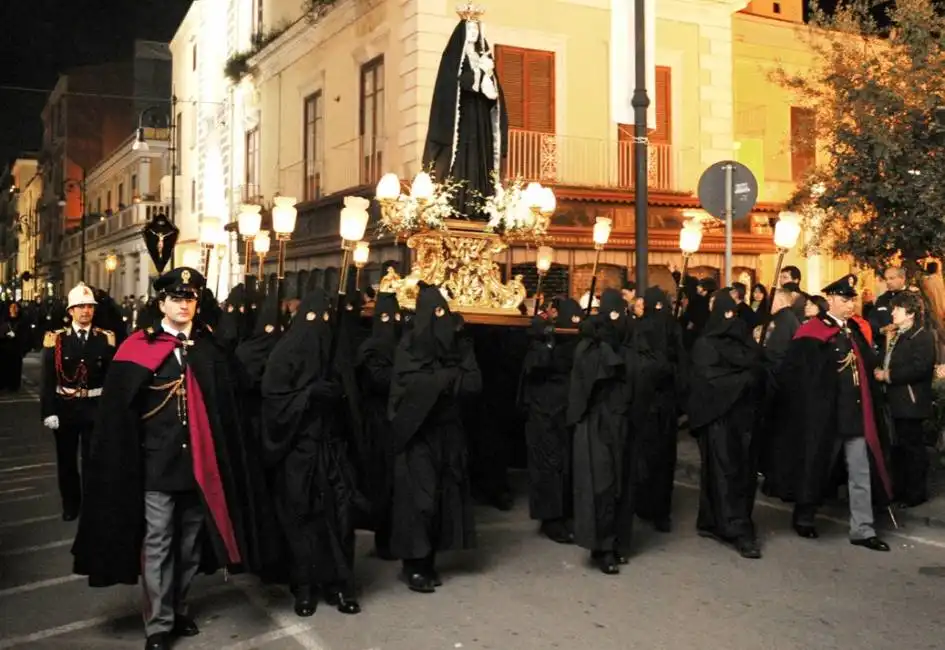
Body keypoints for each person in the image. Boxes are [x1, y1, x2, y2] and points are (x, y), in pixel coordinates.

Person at [72, 267, 277, 650]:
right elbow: (118, 415)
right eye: (176, 299)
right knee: (159, 542)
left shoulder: (210, 347)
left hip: (201, 467)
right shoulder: (137, 346)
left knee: (189, 544)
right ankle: (158, 625)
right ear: (162, 303)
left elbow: (234, 400)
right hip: (155, 464)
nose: (183, 305)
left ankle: (179, 608)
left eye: (190, 299)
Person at [763, 274, 892, 552]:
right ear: (831, 300)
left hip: (854, 416)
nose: (850, 305)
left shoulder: (854, 330)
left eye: (852, 300)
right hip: (824, 417)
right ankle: (805, 517)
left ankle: (863, 529)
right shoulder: (812, 331)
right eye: (845, 300)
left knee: (861, 472)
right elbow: (798, 376)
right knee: (815, 467)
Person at [261, 288, 363, 616]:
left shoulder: (337, 355)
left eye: (324, 319)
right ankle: (305, 587)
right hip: (299, 454)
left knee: (342, 518)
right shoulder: (284, 354)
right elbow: (274, 401)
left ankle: (341, 583)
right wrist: (307, 396)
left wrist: (341, 397)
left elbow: (354, 404)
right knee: (302, 519)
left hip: (334, 452)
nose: (318, 325)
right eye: (311, 318)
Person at [388, 285, 481, 593]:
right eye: (434, 313)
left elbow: (472, 382)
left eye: (444, 312)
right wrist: (444, 380)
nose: (440, 319)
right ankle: (413, 563)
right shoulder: (409, 347)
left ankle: (427, 561)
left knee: (443, 497)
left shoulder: (459, 345)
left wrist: (441, 383)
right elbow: (406, 387)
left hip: (448, 432)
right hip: (419, 433)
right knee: (420, 499)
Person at [688, 290, 764, 558]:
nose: (730, 319)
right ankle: (733, 528)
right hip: (718, 419)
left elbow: (758, 368)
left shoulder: (743, 342)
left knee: (738, 473)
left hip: (743, 418)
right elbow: (708, 381)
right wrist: (743, 380)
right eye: (726, 314)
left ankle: (719, 521)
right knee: (723, 472)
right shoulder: (706, 345)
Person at [568, 288, 635, 574]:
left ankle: (616, 541)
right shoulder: (590, 346)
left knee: (620, 483)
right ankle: (602, 546)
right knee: (601, 484)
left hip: (621, 422)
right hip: (597, 423)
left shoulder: (627, 341)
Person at [422, 9, 508, 217]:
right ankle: (458, 203)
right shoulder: (453, 59)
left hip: (481, 122)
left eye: (476, 30)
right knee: (462, 157)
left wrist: (488, 75)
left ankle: (481, 201)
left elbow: (493, 95)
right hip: (461, 121)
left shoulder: (485, 58)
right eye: (469, 30)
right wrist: (478, 76)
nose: (473, 34)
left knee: (480, 156)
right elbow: (453, 85)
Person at [40, 283, 115, 521]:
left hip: (95, 406)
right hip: (66, 407)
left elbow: (112, 378)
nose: (85, 311)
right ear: (71, 311)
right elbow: (47, 378)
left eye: (89, 307)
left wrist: (111, 410)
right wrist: (48, 411)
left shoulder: (106, 339)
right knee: (67, 461)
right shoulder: (56, 339)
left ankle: (93, 505)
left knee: (94, 461)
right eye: (80, 307)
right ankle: (71, 504)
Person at [521, 298, 584, 544]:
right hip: (544, 413)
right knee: (548, 467)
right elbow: (534, 367)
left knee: (566, 465)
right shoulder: (544, 342)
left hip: (565, 411)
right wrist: (545, 341)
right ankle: (550, 518)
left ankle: (564, 513)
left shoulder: (572, 343)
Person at [634, 287, 687, 533]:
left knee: (644, 454)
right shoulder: (673, 326)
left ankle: (643, 503)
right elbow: (682, 365)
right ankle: (661, 510)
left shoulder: (641, 328)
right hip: (667, 404)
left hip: (644, 404)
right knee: (665, 457)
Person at [355, 291, 404, 559]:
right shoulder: (370, 349)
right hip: (376, 424)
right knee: (381, 483)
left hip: (395, 423)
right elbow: (377, 381)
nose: (392, 323)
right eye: (386, 317)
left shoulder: (403, 345)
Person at [875, 291, 935, 507]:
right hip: (895, 401)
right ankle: (899, 490)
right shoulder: (898, 334)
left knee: (912, 449)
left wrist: (888, 375)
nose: (892, 312)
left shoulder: (922, 336)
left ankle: (915, 494)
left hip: (911, 402)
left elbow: (920, 368)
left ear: (910, 313)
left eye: (897, 309)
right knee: (898, 448)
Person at [869, 267, 907, 352]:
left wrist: (898, 327)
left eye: (892, 278)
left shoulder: (912, 298)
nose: (888, 282)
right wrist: (881, 330)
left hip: (905, 347)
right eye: (886, 279)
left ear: (902, 278)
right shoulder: (882, 299)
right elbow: (872, 320)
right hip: (883, 347)